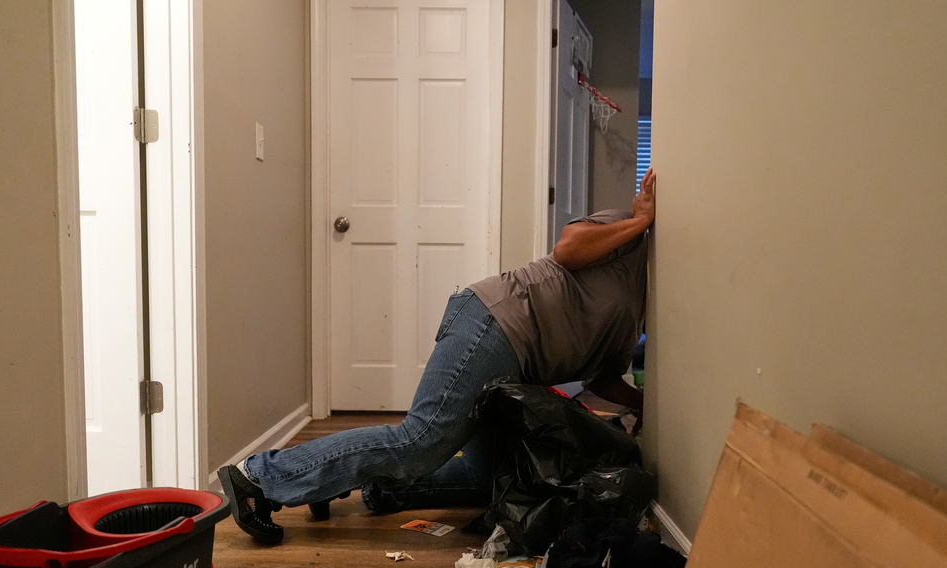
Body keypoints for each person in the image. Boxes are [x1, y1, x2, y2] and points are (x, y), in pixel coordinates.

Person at [218, 167, 656, 544]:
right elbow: (568, 248)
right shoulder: (631, 238)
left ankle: (359, 485)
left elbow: (601, 379)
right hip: (497, 324)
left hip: (516, 369)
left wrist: (649, 404)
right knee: (418, 442)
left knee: (484, 479)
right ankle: (259, 477)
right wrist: (639, 222)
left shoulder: (639, 311)